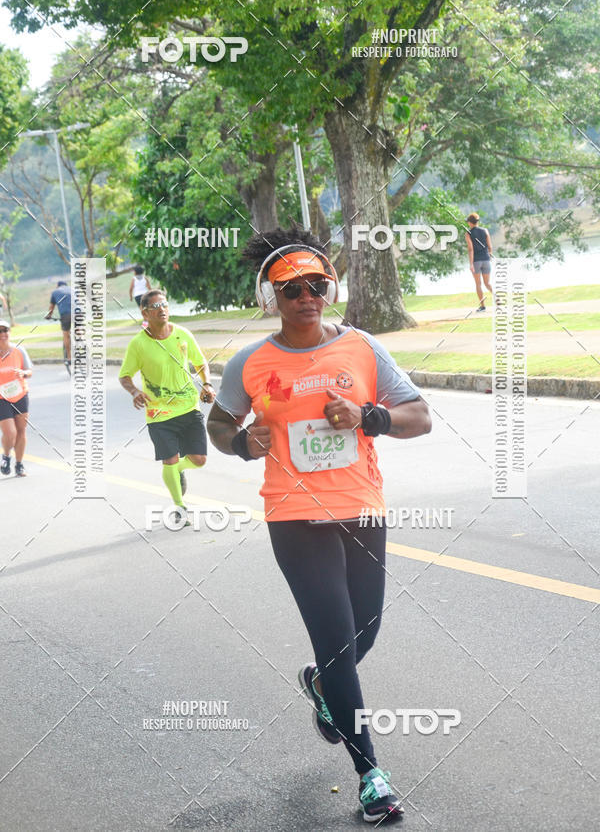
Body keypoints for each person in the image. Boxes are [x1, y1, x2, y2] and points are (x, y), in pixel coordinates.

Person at [207, 228, 432, 824]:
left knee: (365, 632)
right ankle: (371, 776)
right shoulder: (250, 363)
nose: (306, 296)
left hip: (361, 506)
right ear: (271, 297)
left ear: (329, 288)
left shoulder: (361, 348)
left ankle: (322, 684)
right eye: (292, 289)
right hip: (293, 514)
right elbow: (219, 423)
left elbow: (420, 416)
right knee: (336, 641)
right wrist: (241, 443)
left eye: (316, 285)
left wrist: (368, 415)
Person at [118, 289, 216, 516]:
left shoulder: (182, 334)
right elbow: (124, 376)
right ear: (145, 313)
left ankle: (177, 470)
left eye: (164, 304)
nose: (161, 309)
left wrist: (207, 384)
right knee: (169, 460)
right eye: (155, 307)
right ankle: (180, 506)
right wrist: (134, 391)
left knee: (199, 460)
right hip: (159, 413)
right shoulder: (138, 344)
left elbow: (200, 362)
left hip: (188, 406)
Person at [0, 320, 33, 478]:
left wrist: (23, 373)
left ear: (9, 332)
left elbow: (29, 371)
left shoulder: (19, 350)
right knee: (10, 433)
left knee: (21, 431)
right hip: (1, 397)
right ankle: (6, 456)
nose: (2, 334)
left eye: (5, 330)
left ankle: (19, 464)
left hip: (20, 394)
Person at [465, 212, 493, 311]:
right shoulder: (485, 231)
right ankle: (497, 297)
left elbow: (470, 249)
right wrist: (489, 256)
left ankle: (482, 306)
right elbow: (490, 246)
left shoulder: (468, 233)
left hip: (476, 261)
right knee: (487, 283)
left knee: (478, 284)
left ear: (470, 222)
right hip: (486, 260)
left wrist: (471, 264)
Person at [46, 280, 72, 362]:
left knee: (66, 335)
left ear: (58, 286)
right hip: (79, 313)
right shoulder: (72, 289)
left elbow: (51, 308)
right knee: (78, 331)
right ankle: (81, 341)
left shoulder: (55, 292)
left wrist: (48, 316)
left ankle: (69, 357)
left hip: (66, 315)